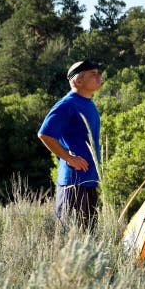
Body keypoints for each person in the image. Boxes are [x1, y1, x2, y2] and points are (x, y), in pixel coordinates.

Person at [37, 59, 103, 228]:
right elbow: (45, 134)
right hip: (73, 184)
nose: (99, 77)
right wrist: (69, 158)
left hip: (89, 181)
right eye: (93, 74)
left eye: (98, 73)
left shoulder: (89, 104)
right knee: (69, 241)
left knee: (88, 239)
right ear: (78, 81)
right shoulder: (67, 104)